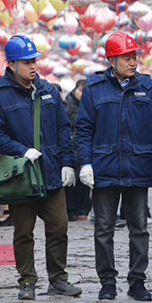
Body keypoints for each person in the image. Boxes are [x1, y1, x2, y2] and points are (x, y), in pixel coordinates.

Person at [75, 31, 152, 301]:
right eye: (126, 57)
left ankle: (137, 281)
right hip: (104, 169)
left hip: (137, 167)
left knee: (138, 228)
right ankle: (107, 282)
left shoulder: (148, 86)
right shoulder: (94, 89)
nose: (132, 62)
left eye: (134, 56)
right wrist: (85, 163)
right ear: (111, 60)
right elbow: (82, 130)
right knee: (103, 229)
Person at [0, 35, 81, 301]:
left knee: (59, 227)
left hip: (50, 172)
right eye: (26, 62)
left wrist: (68, 164)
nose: (33, 66)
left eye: (34, 60)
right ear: (12, 65)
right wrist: (21, 150)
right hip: (22, 176)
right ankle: (27, 281)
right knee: (23, 232)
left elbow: (63, 129)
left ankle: (58, 279)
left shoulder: (49, 91)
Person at [64, 80, 91, 221]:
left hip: (82, 145)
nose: (81, 94)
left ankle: (83, 209)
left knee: (83, 180)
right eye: (80, 90)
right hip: (70, 145)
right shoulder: (67, 103)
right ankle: (71, 210)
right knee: (70, 180)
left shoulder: (89, 103)